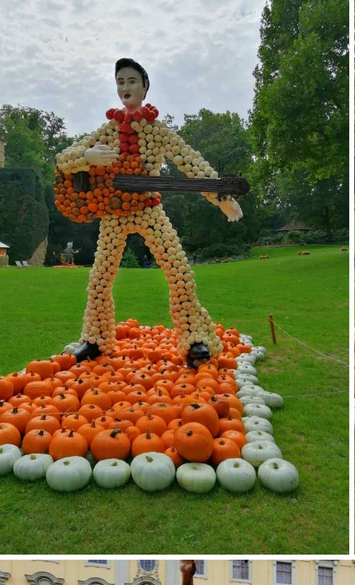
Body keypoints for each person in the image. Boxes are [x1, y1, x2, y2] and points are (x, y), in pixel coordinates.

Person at [55, 58, 242, 365]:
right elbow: (64, 159)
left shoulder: (158, 131)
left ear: (144, 87)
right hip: (113, 214)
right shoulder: (107, 131)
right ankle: (94, 340)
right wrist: (86, 156)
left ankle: (195, 338)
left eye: (131, 81)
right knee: (100, 277)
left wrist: (221, 196)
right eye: (120, 82)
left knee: (179, 272)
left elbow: (189, 161)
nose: (125, 87)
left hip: (149, 210)